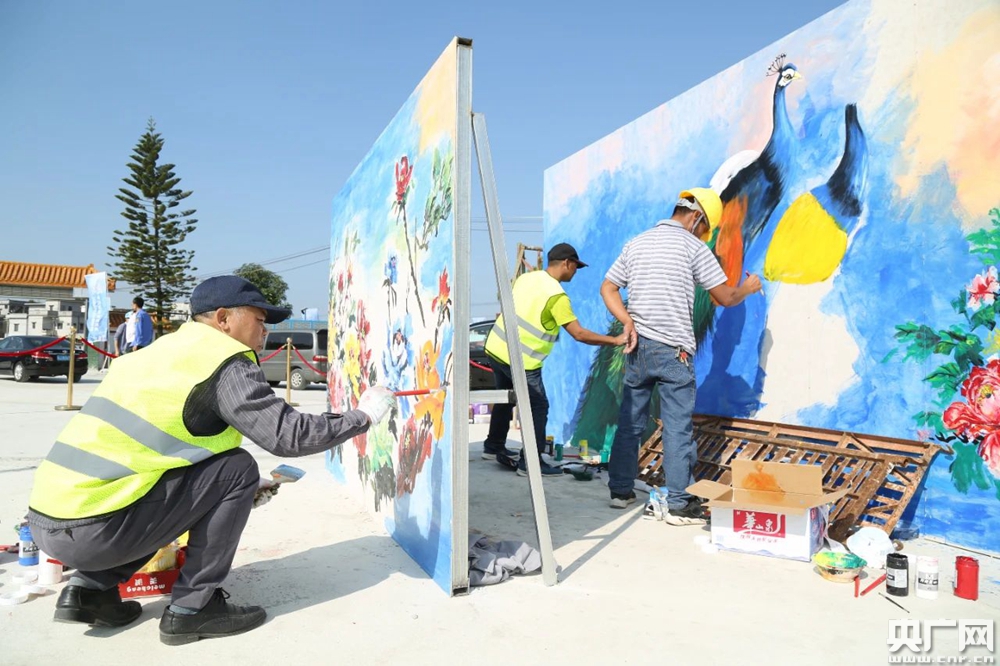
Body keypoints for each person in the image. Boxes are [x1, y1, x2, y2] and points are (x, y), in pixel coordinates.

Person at [26, 275, 396, 645]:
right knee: (239, 469)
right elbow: (288, 436)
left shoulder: (156, 352)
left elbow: (158, 448)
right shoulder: (225, 360)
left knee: (228, 475)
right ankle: (193, 609)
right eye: (259, 320)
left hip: (50, 521)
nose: (265, 331)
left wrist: (221, 490)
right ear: (223, 319)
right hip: (97, 529)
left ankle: (88, 592)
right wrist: (362, 416)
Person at [600, 188, 762, 524]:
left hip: (638, 349)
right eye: (705, 229)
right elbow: (725, 297)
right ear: (697, 217)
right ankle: (678, 504)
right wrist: (748, 289)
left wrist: (628, 321)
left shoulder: (636, 243)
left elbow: (608, 288)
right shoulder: (693, 248)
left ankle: (620, 491)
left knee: (631, 423)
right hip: (674, 352)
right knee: (677, 429)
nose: (704, 235)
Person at [483, 243, 626, 477]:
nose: (576, 272)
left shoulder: (527, 278)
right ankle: (530, 464)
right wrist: (615, 340)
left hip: (497, 347)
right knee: (539, 406)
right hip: (523, 360)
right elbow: (579, 334)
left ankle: (493, 446)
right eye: (576, 267)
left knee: (506, 398)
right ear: (567, 263)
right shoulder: (556, 296)